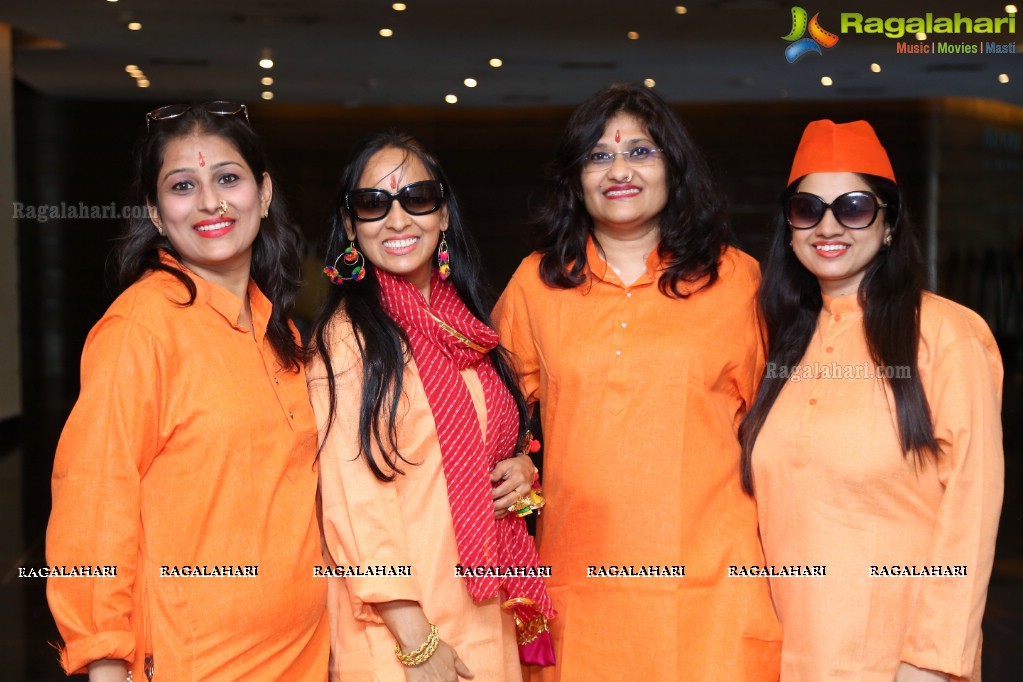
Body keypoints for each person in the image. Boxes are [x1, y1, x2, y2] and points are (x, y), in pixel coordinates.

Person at [493, 82, 781, 681]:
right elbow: (492, 416)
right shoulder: (536, 284)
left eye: (639, 153)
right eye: (598, 157)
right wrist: (522, 468)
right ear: (575, 180)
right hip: (580, 587)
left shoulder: (736, 281)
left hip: (712, 591)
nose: (618, 170)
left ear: (674, 168)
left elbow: (786, 433)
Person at [46, 102, 329, 680]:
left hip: (305, 653)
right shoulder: (141, 330)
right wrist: (105, 662)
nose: (210, 202)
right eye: (183, 186)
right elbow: (94, 504)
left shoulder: (283, 330)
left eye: (228, 178)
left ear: (264, 192)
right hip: (194, 661)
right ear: (154, 211)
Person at [740, 119, 1004, 681]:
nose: (828, 225)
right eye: (808, 209)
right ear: (789, 227)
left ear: (887, 224)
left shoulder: (946, 333)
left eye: (854, 207)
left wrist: (931, 661)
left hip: (900, 660)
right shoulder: (782, 341)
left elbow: (973, 507)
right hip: (788, 655)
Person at [308, 130, 555, 682]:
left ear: (443, 215)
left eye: (416, 199)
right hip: (399, 631)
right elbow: (354, 506)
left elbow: (477, 446)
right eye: (373, 204)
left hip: (483, 609)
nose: (398, 220)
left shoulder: (464, 326)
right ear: (351, 227)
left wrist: (519, 470)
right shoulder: (349, 341)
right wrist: (418, 642)